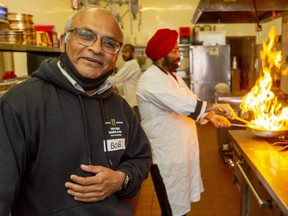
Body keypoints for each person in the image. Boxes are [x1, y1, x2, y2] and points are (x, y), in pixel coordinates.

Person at [0, 7, 152, 216]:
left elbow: (140, 158)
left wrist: (121, 179)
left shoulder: (120, 107)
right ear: (63, 41)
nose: (97, 48)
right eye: (86, 36)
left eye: (109, 43)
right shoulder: (20, 105)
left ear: (116, 55)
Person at [136, 28, 236, 216]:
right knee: (171, 207)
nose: (178, 55)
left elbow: (190, 98)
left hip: (179, 152)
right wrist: (215, 107)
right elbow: (183, 104)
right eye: (174, 50)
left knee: (179, 205)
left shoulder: (172, 76)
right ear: (161, 54)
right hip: (166, 156)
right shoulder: (150, 80)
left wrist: (211, 116)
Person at [109, 44, 142, 109]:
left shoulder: (131, 64)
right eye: (123, 52)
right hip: (132, 101)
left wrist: (100, 80)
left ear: (132, 53)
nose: (124, 54)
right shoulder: (130, 63)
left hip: (134, 102)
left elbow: (117, 78)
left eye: (126, 52)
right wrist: (116, 87)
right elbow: (126, 82)